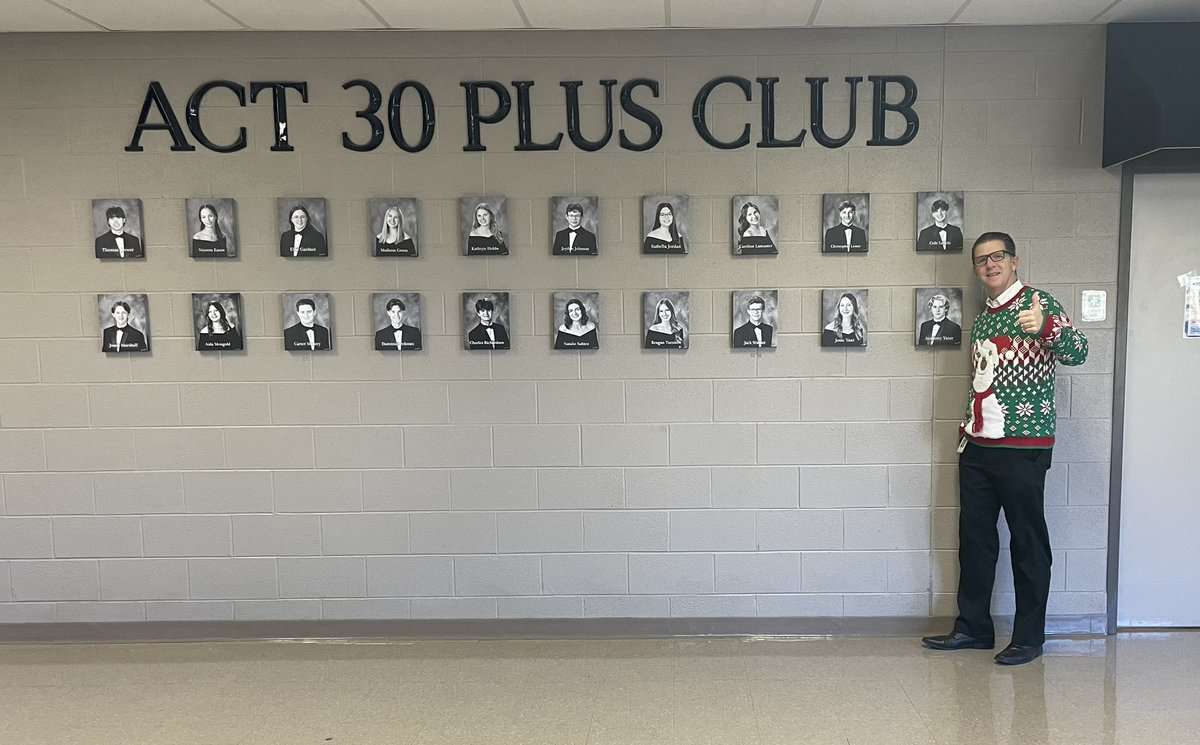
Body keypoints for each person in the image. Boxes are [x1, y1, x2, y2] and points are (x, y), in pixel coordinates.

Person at [922, 231, 1088, 666]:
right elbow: (983, 380)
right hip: (978, 446)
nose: (990, 264)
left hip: (1023, 447)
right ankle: (973, 628)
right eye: (981, 260)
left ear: (1014, 261)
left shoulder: (1039, 303)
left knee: (1028, 542)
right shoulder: (984, 318)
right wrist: (968, 425)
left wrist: (1046, 327)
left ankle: (1029, 637)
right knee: (975, 540)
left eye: (997, 256)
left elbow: (1079, 352)